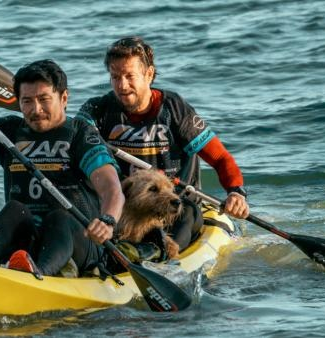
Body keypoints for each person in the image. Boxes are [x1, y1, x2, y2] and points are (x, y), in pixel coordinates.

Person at [0, 59, 124, 276]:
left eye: (44, 99)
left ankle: (40, 275)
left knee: (59, 216)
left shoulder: (81, 134)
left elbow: (111, 188)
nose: (36, 109)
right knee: (15, 209)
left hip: (79, 242)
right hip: (28, 244)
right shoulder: (9, 131)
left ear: (63, 98)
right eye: (27, 101)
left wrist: (107, 221)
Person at [77, 36, 250, 252]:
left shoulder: (174, 110)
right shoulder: (98, 109)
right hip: (123, 205)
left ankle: (159, 253)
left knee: (188, 212)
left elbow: (220, 158)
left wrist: (236, 193)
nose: (122, 85)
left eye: (130, 76)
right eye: (115, 77)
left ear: (149, 74)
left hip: (176, 206)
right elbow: (69, 140)